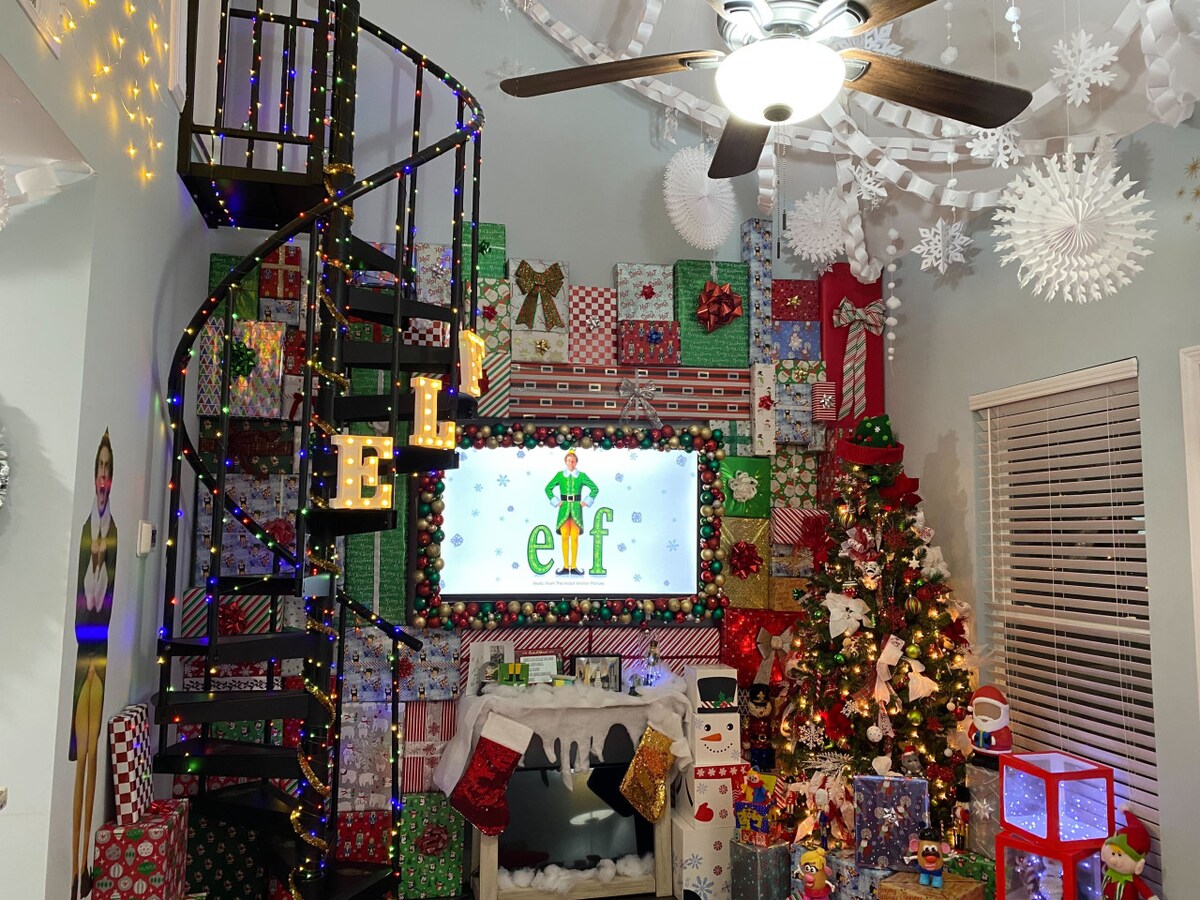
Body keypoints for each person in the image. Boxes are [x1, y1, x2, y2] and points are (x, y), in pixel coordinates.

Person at [70, 431, 118, 900]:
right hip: (86, 650)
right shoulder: (89, 528)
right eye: (99, 468)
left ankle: (85, 863)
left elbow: (106, 599)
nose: (103, 477)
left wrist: (102, 566)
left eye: (107, 469)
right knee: (82, 753)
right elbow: (85, 602)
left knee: (92, 748)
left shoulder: (113, 531)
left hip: (98, 651)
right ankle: (73, 867)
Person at [543, 451, 598, 575]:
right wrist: (556, 501)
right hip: (564, 510)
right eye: (568, 460)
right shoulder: (560, 475)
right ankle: (565, 566)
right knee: (564, 537)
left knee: (574, 538)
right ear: (565, 462)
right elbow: (548, 488)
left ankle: (573, 566)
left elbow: (594, 488)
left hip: (576, 510)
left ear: (576, 462)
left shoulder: (582, 476)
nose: (571, 463)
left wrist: (586, 502)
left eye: (573, 460)